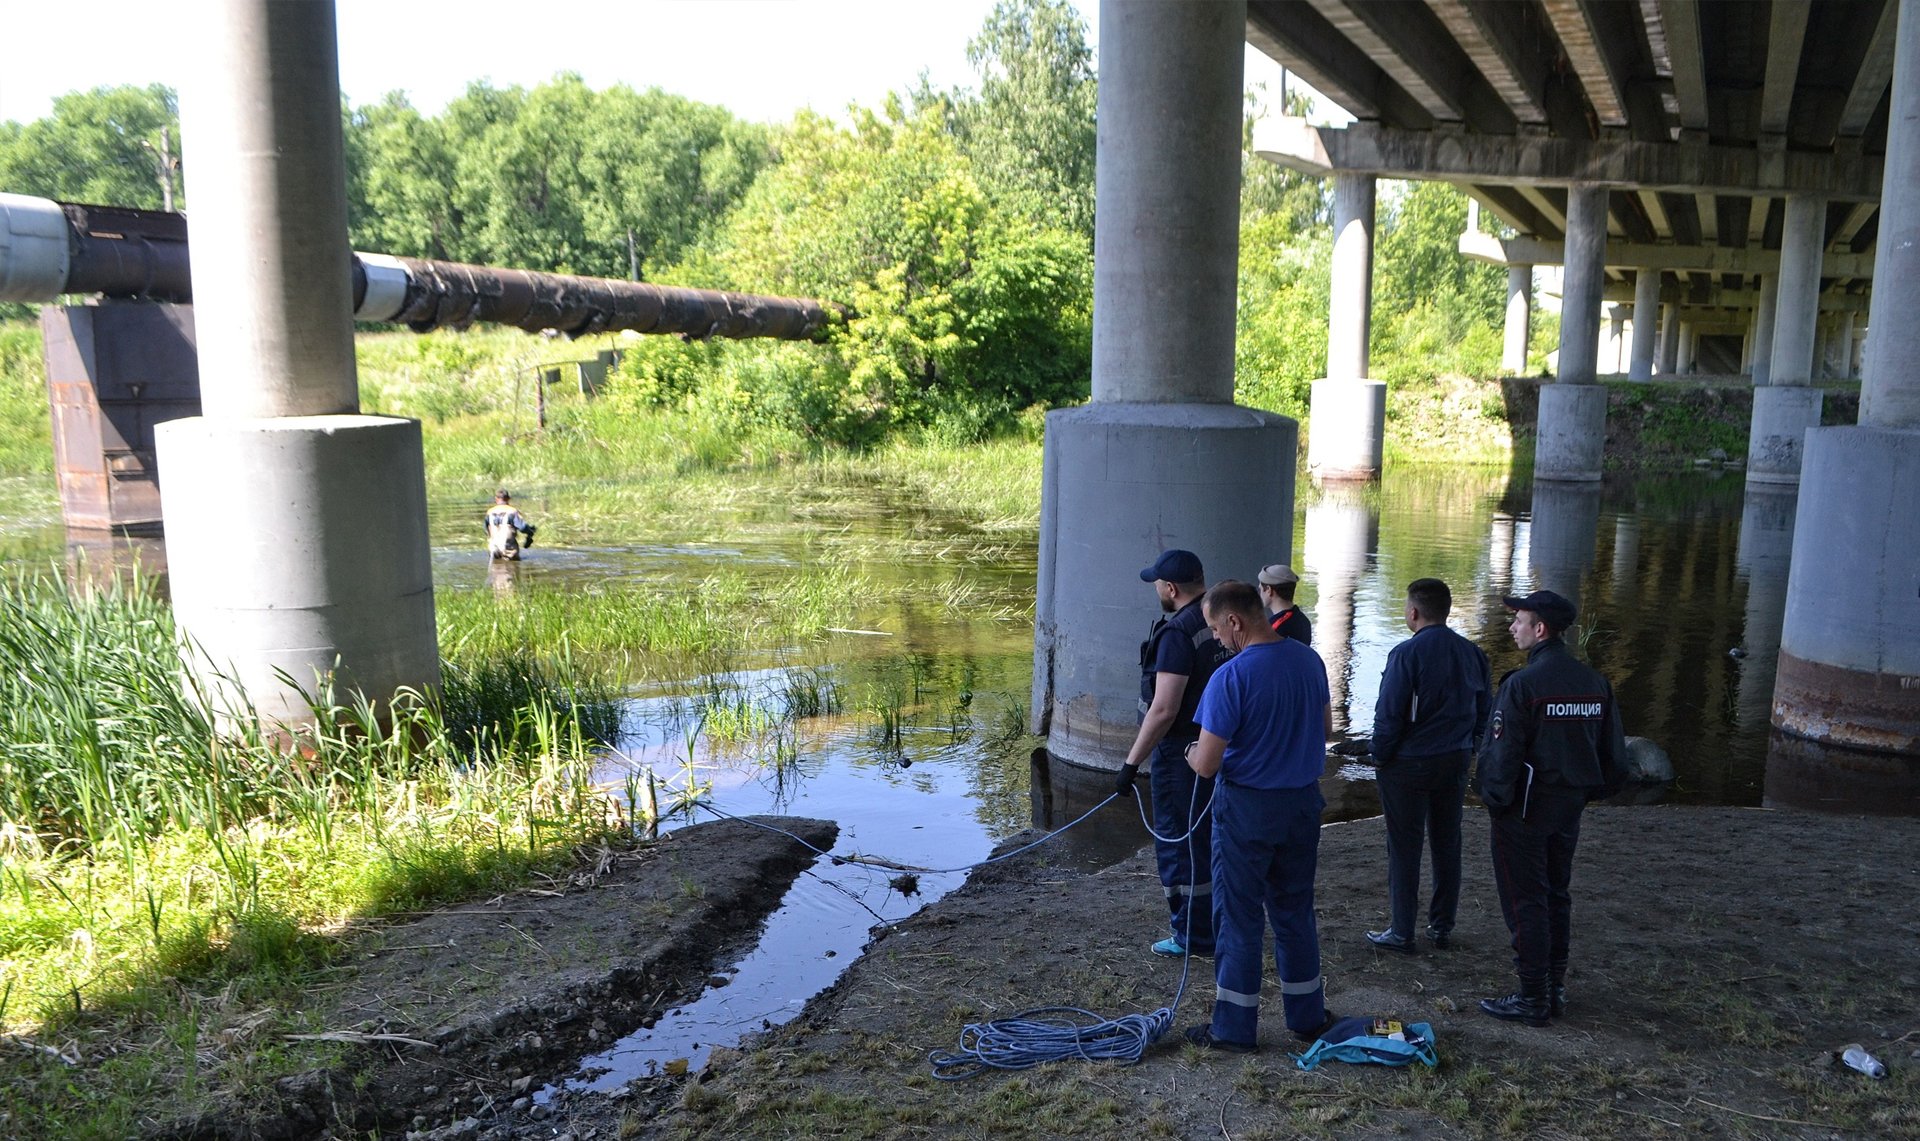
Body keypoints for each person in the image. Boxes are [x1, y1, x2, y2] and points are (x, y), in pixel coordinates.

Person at [1181, 580, 1336, 1052]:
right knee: (1294, 911)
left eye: (1214, 629)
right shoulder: (1309, 660)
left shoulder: (1231, 677)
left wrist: (1189, 750)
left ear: (1234, 621)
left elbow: (1207, 764)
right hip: (1303, 805)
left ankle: (1232, 1028)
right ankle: (1308, 1017)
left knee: (1239, 916)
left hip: (1248, 811)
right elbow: (1325, 729)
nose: (1215, 640)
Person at [1474, 589, 1627, 1026]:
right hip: (1568, 809)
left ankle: (1532, 997)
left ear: (1540, 629)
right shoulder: (1595, 683)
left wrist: (1496, 803)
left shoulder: (1523, 686)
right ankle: (1554, 988)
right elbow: (1615, 760)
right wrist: (1583, 794)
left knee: (1525, 902)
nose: (1511, 626)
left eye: (1518, 620)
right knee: (1556, 894)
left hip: (1523, 810)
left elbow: (1500, 757)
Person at [1112, 550, 1230, 958]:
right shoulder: (1219, 620)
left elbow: (1163, 709)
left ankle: (1191, 936)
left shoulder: (1178, 634)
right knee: (1213, 840)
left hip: (1181, 756)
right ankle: (1216, 925)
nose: (1157, 590)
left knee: (1180, 846)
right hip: (1219, 747)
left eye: (1158, 584)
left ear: (1171, 588)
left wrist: (1130, 765)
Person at [1365, 578, 1492, 954]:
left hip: (1408, 765)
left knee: (1404, 846)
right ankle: (1441, 926)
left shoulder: (1406, 654)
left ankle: (1402, 930)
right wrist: (1470, 748)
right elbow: (1484, 710)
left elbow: (1389, 715)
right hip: (1454, 759)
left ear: (1414, 612)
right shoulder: (1473, 653)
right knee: (1447, 841)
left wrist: (1379, 755)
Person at [1257, 564, 1311, 644]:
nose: (1260, 594)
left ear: (1269, 590)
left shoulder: (1274, 630)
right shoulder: (1304, 621)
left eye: (1261, 589)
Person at [484, 491, 537, 560]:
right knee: (511, 568)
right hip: (509, 550)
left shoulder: (489, 512)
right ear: (509, 498)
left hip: (493, 549)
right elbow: (523, 527)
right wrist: (531, 530)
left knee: (496, 568)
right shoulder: (512, 511)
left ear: (496, 499)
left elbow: (486, 531)